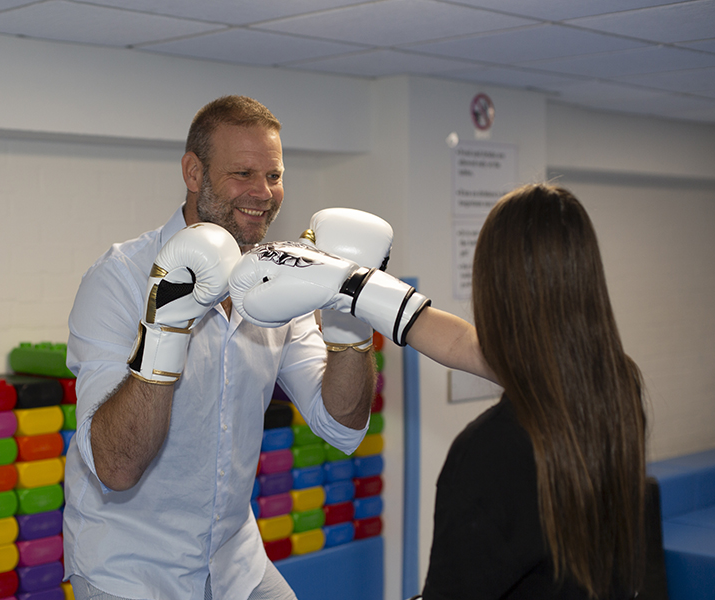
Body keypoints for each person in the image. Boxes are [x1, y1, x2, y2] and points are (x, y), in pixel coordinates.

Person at [230, 183, 648, 599]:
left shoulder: (487, 452)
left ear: (491, 285)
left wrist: (349, 289)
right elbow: (466, 344)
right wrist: (355, 290)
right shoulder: (617, 389)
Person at [62, 95, 379, 600]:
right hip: (131, 567)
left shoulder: (279, 280)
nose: (263, 193)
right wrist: (164, 332)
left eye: (273, 175)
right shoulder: (119, 279)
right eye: (243, 173)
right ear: (194, 172)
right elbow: (115, 468)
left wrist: (349, 318)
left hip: (234, 559)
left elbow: (342, 425)